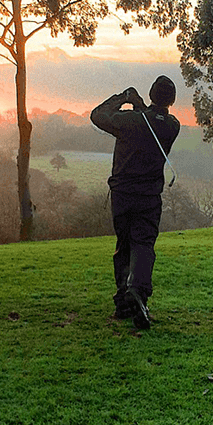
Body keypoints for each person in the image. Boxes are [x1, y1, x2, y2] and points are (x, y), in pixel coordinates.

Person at [90, 75, 180, 329]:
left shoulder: (130, 121)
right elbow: (152, 121)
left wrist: (124, 97)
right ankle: (138, 292)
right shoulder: (172, 125)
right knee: (143, 243)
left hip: (122, 193)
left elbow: (98, 115)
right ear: (171, 101)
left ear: (150, 94)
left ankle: (124, 301)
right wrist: (141, 106)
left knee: (124, 245)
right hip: (149, 197)